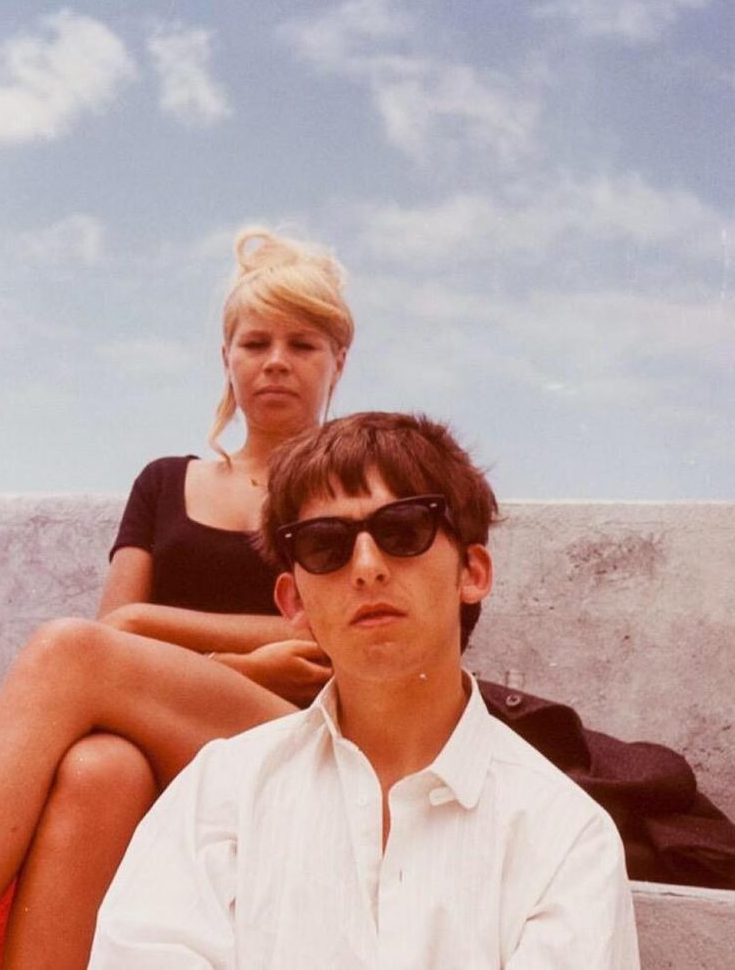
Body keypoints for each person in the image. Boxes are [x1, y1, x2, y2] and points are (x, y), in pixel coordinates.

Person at [0, 228, 355, 969]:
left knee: (68, 651)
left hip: (301, 734)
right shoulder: (164, 482)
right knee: (99, 769)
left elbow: (330, 638)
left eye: (303, 344)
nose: (276, 361)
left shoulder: (352, 481)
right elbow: (113, 638)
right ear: (227, 358)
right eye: (255, 343)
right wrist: (237, 658)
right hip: (177, 729)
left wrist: (152, 633)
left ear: (337, 362)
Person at [90, 411, 641, 968]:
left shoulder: (565, 838)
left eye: (404, 531)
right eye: (326, 545)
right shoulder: (218, 796)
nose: (367, 566)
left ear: (473, 572)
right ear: (293, 602)